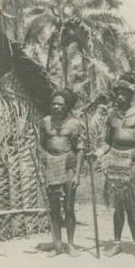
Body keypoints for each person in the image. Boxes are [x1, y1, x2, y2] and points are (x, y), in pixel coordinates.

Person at [90, 73, 135, 259]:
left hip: (133, 162)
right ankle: (117, 244)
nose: (119, 97)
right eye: (117, 93)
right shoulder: (112, 117)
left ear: (131, 95)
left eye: (123, 93)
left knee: (130, 205)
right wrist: (97, 153)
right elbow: (108, 142)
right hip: (114, 163)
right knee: (117, 206)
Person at [39, 88, 84, 257]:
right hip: (51, 164)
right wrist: (43, 158)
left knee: (69, 206)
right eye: (54, 104)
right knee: (54, 208)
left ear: (67, 107)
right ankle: (57, 244)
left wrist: (77, 174)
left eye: (60, 104)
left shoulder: (75, 124)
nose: (56, 107)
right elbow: (41, 144)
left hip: (68, 164)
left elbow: (80, 150)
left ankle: (70, 244)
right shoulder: (45, 122)